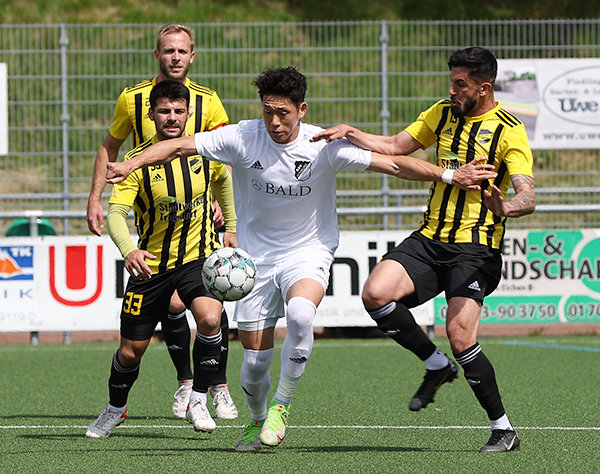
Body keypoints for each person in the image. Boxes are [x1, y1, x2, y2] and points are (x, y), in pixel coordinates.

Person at [106, 66, 497, 451]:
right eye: (268, 112)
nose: (274, 122)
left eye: (283, 113)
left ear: (302, 110)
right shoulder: (242, 136)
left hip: (308, 251)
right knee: (254, 368)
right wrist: (130, 163)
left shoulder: (321, 144)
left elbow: (392, 163)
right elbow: (178, 146)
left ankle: (282, 405)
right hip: (254, 263)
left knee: (300, 314)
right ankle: (257, 418)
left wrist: (449, 176)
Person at [312, 47, 536, 453]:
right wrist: (349, 131)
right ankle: (436, 365)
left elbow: (527, 195)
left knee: (460, 335)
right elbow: (394, 145)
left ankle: (504, 430)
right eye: (451, 81)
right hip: (430, 238)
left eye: (460, 84)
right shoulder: (442, 113)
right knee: (375, 294)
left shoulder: (509, 130)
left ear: (484, 88)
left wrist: (506, 207)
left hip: (475, 247)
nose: (452, 90)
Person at [86, 23, 237, 421]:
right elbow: (111, 148)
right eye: (168, 50)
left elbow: (224, 159)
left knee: (209, 307)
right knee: (146, 331)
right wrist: (95, 197)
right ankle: (183, 383)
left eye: (182, 50)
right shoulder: (131, 99)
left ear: (192, 56)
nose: (175, 57)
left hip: (198, 222)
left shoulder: (209, 102)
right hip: (152, 219)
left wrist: (224, 210)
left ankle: (213, 389)